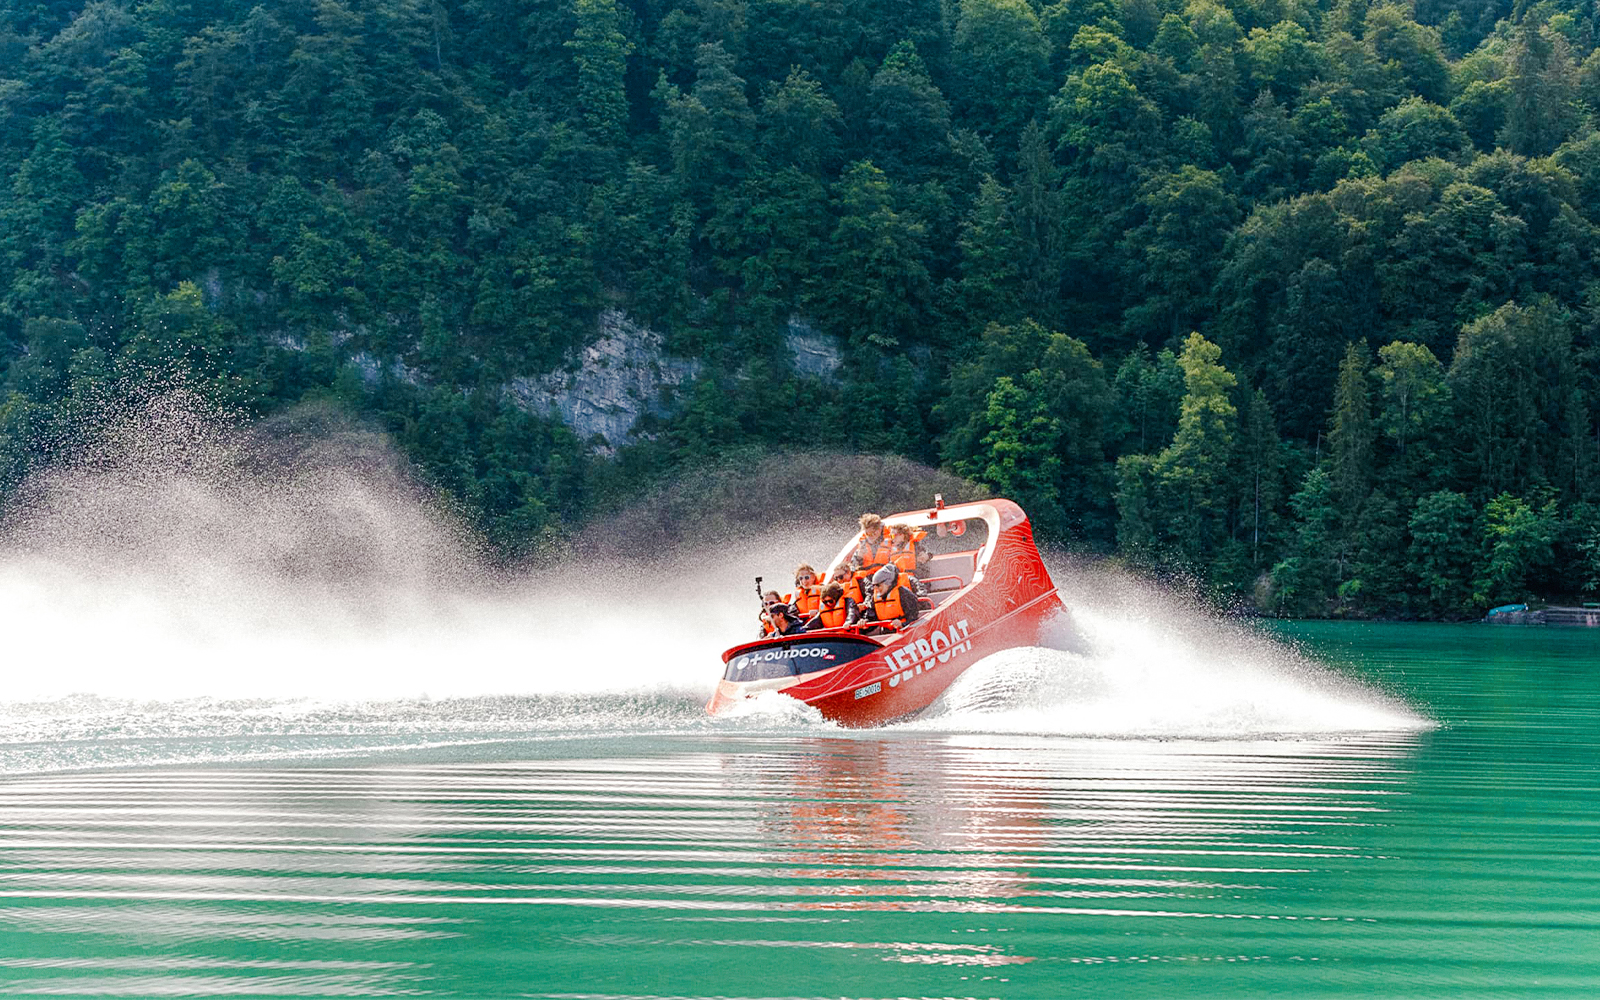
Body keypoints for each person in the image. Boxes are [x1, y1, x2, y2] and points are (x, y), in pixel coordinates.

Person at [856, 562, 920, 632]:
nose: (876, 589)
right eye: (874, 586)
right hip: (886, 634)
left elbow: (914, 617)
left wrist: (903, 624)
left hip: (906, 631)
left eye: (878, 585)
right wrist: (864, 622)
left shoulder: (904, 594)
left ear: (888, 583)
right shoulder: (875, 598)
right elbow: (871, 617)